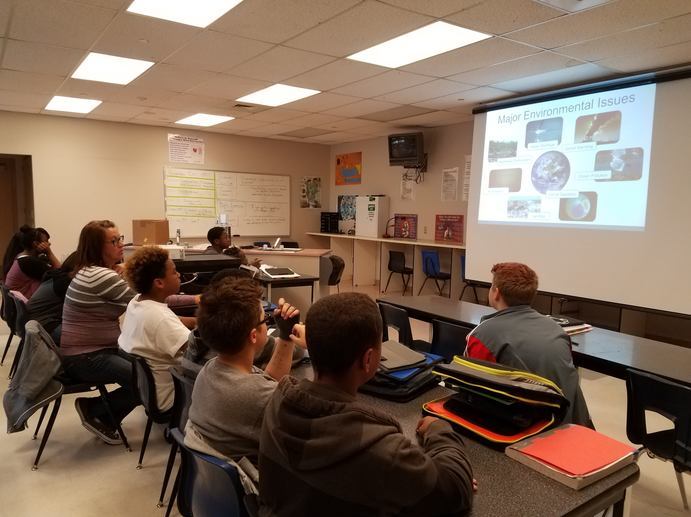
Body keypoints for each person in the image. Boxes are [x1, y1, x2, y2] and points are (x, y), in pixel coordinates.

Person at [259, 292, 474, 516]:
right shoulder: (380, 449)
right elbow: (455, 489)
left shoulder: (277, 402)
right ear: (369, 359)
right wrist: (438, 430)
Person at [61, 220, 194, 444]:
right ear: (96, 247)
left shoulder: (93, 271)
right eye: (113, 241)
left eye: (120, 239)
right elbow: (151, 294)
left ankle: (103, 411)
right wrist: (197, 299)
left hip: (94, 348)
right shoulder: (102, 276)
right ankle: (97, 411)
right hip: (86, 356)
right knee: (143, 378)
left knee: (145, 366)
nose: (120, 245)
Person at [184, 276, 306, 467]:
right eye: (265, 319)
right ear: (253, 335)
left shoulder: (211, 369)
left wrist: (285, 336)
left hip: (216, 489)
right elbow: (321, 428)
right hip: (261, 490)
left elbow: (269, 382)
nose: (267, 323)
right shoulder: (257, 395)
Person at [464, 262, 592, 427]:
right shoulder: (558, 330)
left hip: (521, 430)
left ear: (496, 293)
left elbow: (470, 387)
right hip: (569, 426)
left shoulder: (481, 335)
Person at [118, 246, 196, 412]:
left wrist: (201, 322)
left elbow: (175, 321)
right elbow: (198, 351)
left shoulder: (137, 303)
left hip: (150, 393)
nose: (179, 275)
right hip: (174, 397)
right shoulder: (160, 318)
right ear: (159, 283)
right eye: (174, 272)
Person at [26, 251, 78, 345]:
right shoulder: (65, 282)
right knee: (88, 338)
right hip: (46, 326)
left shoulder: (58, 275)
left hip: (37, 322)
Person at [2, 225, 61, 299]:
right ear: (35, 244)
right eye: (46, 241)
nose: (49, 244)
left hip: (18, 306)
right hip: (29, 307)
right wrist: (49, 253)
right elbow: (61, 275)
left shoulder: (20, 257)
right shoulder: (29, 262)